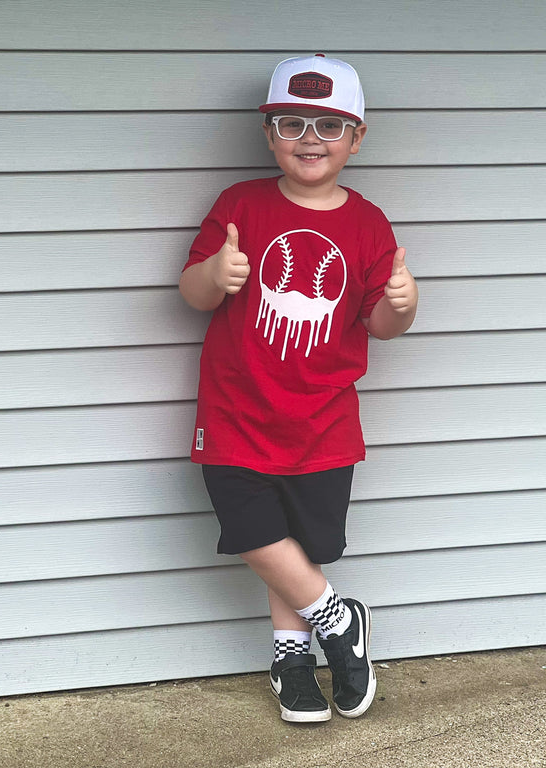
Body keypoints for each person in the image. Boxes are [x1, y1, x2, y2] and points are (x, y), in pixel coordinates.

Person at [178, 54, 418, 723]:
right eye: (292, 124)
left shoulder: (368, 224)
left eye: (329, 126)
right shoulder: (239, 205)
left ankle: (292, 659)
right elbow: (192, 292)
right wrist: (215, 275)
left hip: (323, 420)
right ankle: (339, 622)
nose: (310, 139)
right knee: (253, 530)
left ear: (356, 138)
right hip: (235, 411)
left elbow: (381, 325)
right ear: (269, 133)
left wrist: (403, 303)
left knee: (299, 548)